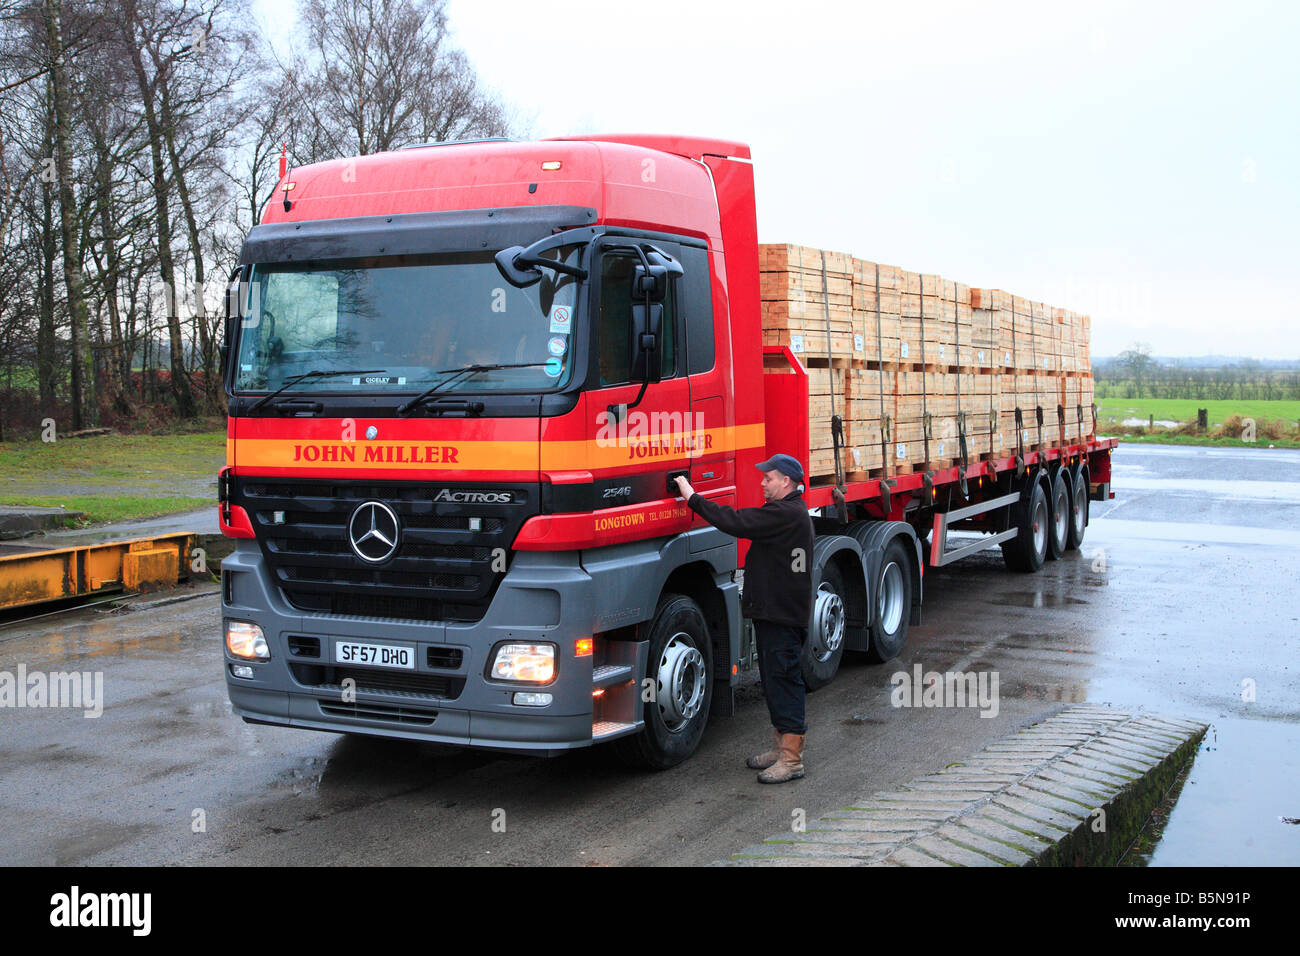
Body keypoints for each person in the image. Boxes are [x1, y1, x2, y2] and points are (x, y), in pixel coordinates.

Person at [673, 454, 815, 783]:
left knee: (784, 682)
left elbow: (735, 522)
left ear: (787, 482)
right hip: (776, 612)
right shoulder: (788, 512)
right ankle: (782, 748)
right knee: (774, 681)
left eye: (770, 477)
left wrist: (691, 497)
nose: (763, 482)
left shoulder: (785, 513)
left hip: (782, 616)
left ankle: (792, 759)